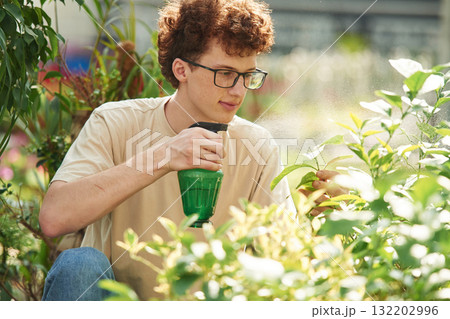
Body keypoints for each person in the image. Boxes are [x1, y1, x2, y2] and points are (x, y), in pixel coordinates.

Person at [39, 0, 335, 301]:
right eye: (225, 73)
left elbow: (283, 268)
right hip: (120, 303)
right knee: (79, 265)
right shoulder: (115, 122)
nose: (238, 91)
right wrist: (164, 155)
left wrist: (323, 218)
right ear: (182, 69)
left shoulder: (257, 146)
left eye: (248, 76)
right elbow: (55, 218)